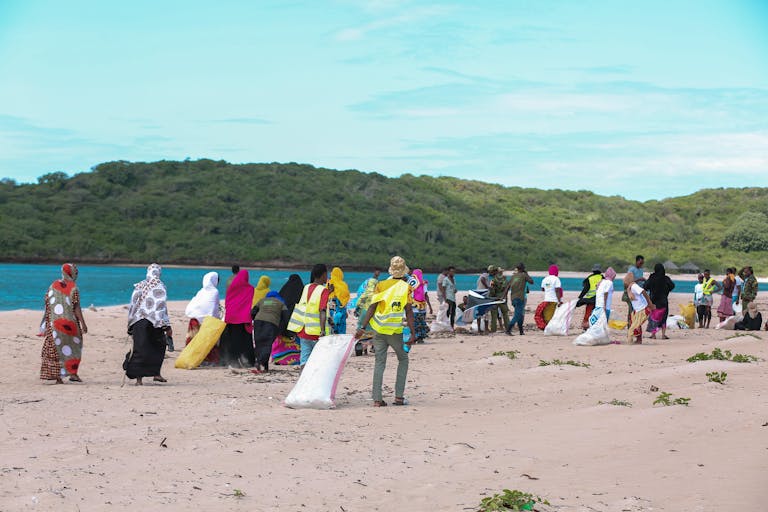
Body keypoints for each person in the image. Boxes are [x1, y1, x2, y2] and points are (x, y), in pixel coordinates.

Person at [356, 256, 416, 407]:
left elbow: (372, 307)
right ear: (404, 272)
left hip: (378, 329)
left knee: (379, 362)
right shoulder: (406, 288)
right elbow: (408, 311)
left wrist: (362, 328)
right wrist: (413, 333)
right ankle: (399, 397)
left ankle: (377, 399)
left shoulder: (381, 285)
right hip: (395, 331)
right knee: (403, 359)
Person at [40, 263, 88, 383]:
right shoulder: (73, 287)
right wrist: (83, 323)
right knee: (74, 348)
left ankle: (58, 377)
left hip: (53, 323)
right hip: (70, 325)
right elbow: (76, 307)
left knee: (55, 349)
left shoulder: (53, 285)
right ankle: (73, 374)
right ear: (72, 273)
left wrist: (45, 323)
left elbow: (47, 304)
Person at [124, 264, 171, 385]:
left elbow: (133, 304)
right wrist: (166, 325)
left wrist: (130, 323)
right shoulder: (160, 286)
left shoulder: (140, 285)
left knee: (140, 349)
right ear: (158, 273)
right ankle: (156, 373)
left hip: (139, 321)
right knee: (158, 347)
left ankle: (139, 380)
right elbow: (162, 308)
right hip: (154, 323)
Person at [287, 264, 330, 367]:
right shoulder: (323, 290)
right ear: (323, 275)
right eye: (326, 275)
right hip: (316, 333)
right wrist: (323, 330)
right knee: (318, 362)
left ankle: (303, 381)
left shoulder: (306, 287)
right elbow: (322, 310)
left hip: (303, 330)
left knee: (304, 361)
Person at [219, 269, 255, 367]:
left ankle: (230, 360)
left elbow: (227, 302)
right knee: (244, 341)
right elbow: (248, 304)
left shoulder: (231, 288)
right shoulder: (250, 289)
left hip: (231, 317)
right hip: (243, 318)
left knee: (231, 340)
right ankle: (247, 361)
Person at [183, 271, 221, 365]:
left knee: (193, 341)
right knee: (211, 341)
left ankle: (191, 359)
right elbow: (214, 309)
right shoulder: (215, 292)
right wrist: (217, 319)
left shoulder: (201, 292)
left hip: (195, 319)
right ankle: (209, 360)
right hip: (207, 321)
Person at [270, 273, 304, 366]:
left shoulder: (283, 291)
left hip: (282, 325)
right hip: (297, 323)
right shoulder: (302, 292)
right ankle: (296, 359)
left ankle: (280, 358)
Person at [251, 291, 287, 373]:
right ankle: (260, 362)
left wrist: (255, 319)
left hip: (258, 321)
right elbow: (286, 317)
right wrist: (283, 328)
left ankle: (264, 366)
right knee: (267, 343)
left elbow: (253, 312)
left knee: (259, 343)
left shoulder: (262, 300)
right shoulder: (281, 303)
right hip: (271, 323)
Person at [644, 263, 675, 339]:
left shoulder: (652, 278)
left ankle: (653, 335)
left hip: (653, 301)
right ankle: (663, 335)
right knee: (663, 318)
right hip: (663, 301)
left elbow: (645, 286)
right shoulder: (666, 278)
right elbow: (672, 286)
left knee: (653, 317)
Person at [625, 273, 655, 344]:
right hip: (637, 310)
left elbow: (643, 292)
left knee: (632, 328)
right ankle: (639, 340)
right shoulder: (630, 288)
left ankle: (629, 343)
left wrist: (650, 304)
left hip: (642, 309)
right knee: (636, 326)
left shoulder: (634, 286)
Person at [506, 263, 533, 335]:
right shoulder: (524, 275)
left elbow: (507, 287)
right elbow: (531, 282)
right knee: (517, 315)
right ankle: (508, 329)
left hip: (513, 298)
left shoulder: (513, 276)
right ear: (523, 268)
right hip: (520, 298)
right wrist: (526, 274)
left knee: (520, 314)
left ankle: (521, 331)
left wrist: (503, 296)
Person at [535, 265, 563, 330]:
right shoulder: (556, 279)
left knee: (547, 316)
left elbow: (542, 289)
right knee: (553, 316)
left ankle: (547, 328)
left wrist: (548, 288)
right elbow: (557, 290)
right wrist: (559, 301)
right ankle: (551, 329)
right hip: (553, 301)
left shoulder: (545, 279)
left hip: (546, 300)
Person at [577, 264, 603, 330]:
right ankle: (595, 326)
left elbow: (585, 289)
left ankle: (585, 327)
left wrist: (580, 297)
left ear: (593, 271)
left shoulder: (589, 278)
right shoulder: (602, 277)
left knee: (588, 313)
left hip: (590, 300)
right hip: (599, 299)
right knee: (597, 313)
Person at [411, 269, 433, 343]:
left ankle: (415, 337)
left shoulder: (411, 283)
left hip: (414, 306)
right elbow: (426, 295)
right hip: (422, 306)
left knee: (414, 323)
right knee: (422, 322)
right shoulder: (424, 283)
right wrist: (430, 306)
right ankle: (420, 338)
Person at [327, 267, 351, 334]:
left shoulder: (329, 283)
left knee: (331, 331)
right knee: (341, 330)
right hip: (340, 308)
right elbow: (345, 298)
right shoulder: (343, 285)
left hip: (331, 308)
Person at [623, 255, 646, 324]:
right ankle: (630, 325)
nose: (641, 264)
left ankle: (635, 325)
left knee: (638, 309)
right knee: (631, 310)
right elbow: (628, 281)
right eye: (640, 263)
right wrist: (639, 279)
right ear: (636, 261)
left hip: (638, 293)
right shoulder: (631, 270)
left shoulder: (641, 270)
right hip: (632, 292)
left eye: (642, 263)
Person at [488, 266, 510, 332]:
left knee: (494, 315)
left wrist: (490, 296)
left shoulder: (493, 280)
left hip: (495, 298)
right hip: (503, 298)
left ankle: (493, 329)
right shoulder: (505, 278)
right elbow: (507, 288)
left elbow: (492, 291)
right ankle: (508, 328)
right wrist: (504, 296)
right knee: (505, 315)